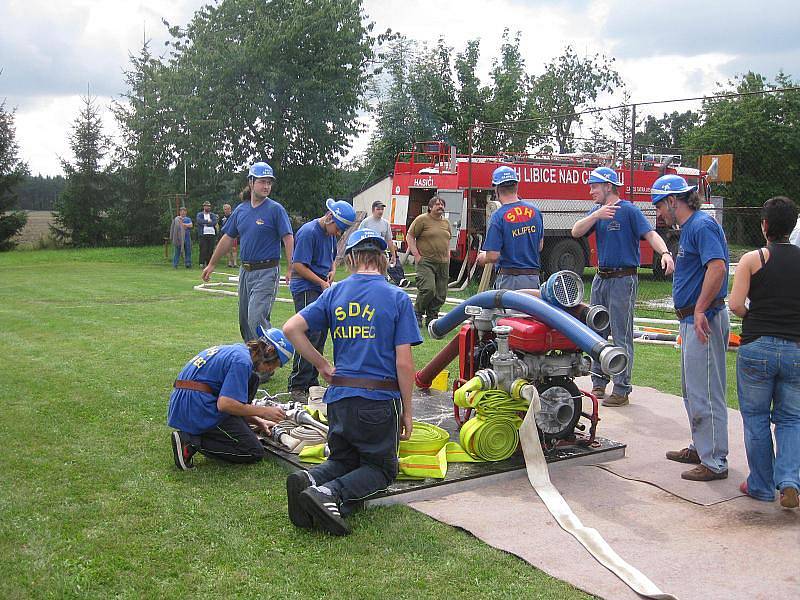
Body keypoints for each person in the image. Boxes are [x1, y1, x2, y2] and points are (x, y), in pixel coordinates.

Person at [282, 229, 421, 536]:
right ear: (382, 259)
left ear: (351, 257)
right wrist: (408, 411)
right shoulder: (396, 297)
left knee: (345, 458)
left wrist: (322, 366)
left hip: (340, 397)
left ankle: (310, 480)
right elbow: (403, 362)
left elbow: (291, 328)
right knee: (382, 469)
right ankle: (330, 494)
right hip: (377, 401)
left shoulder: (334, 292)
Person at [571, 167, 675, 407]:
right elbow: (576, 231)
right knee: (596, 331)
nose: (590, 191)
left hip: (622, 279)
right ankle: (598, 382)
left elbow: (651, 235)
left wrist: (666, 253)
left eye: (594, 186)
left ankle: (621, 388)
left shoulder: (629, 211)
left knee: (621, 333)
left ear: (609, 186)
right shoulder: (598, 212)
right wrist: (596, 215)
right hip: (601, 279)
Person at [652, 174, 730, 482]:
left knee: (707, 391)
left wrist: (699, 309)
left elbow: (718, 267)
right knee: (692, 389)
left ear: (673, 201)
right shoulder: (691, 228)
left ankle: (715, 461)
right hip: (693, 319)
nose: (658, 213)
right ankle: (701, 447)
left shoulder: (701, 225)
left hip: (704, 319)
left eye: (659, 206)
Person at [729, 196, 800, 509]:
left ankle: (759, 484)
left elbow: (734, 305)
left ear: (765, 225)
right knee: (791, 419)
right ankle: (789, 482)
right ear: (794, 225)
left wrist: (754, 317)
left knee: (756, 418)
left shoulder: (752, 259)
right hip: (796, 348)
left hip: (757, 346)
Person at [167, 325, 294, 470]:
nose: (271, 370)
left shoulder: (238, 352)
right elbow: (225, 404)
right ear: (269, 351)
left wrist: (256, 420)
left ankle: (206, 432)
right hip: (195, 406)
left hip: (188, 401)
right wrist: (263, 411)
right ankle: (190, 441)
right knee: (254, 451)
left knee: (253, 379)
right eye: (275, 365)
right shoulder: (242, 361)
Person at [202, 162, 294, 342]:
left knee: (256, 320)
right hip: (245, 272)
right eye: (262, 181)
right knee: (244, 321)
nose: (266, 186)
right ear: (251, 182)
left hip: (267, 271)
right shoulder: (241, 210)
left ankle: (266, 366)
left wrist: (291, 268)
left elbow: (288, 238)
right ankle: (252, 363)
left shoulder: (275, 209)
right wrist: (212, 264)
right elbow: (228, 238)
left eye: (269, 182)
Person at [288, 198, 357, 401]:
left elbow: (333, 259)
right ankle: (298, 384)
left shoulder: (330, 234)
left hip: (321, 287)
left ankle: (311, 380)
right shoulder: (309, 232)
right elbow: (298, 266)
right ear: (329, 217)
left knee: (320, 334)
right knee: (308, 334)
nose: (338, 233)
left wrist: (332, 271)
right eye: (338, 228)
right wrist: (320, 282)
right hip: (306, 288)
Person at [477, 166, 544, 290]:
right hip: (533, 279)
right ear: (516, 186)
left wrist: (482, 258)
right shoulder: (535, 211)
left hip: (509, 280)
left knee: (508, 310)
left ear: (496, 189)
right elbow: (539, 246)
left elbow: (493, 256)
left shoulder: (498, 216)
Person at [406, 196, 451, 328]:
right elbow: (410, 236)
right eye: (437, 204)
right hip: (426, 262)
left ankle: (432, 317)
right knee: (428, 289)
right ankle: (417, 313)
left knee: (441, 293)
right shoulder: (422, 220)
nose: (440, 206)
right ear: (430, 207)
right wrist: (416, 255)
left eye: (442, 204)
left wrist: (448, 256)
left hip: (443, 263)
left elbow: (448, 240)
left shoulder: (446, 223)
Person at [359, 200, 397, 265]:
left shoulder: (386, 223)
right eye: (378, 209)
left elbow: (389, 240)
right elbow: (359, 238)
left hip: (380, 253)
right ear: (373, 210)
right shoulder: (365, 222)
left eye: (382, 209)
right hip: (367, 253)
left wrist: (393, 255)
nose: (380, 211)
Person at [197, 201, 219, 268]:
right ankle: (202, 262)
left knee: (210, 249)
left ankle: (209, 263)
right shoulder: (200, 214)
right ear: (204, 207)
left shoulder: (212, 215)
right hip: (203, 234)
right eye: (206, 206)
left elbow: (214, 222)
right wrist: (208, 221)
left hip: (211, 234)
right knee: (203, 249)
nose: (208, 207)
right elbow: (199, 221)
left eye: (209, 206)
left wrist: (206, 223)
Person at [219, 203, 237, 267]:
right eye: (225, 209)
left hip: (233, 234)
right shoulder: (222, 217)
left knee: (234, 248)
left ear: (230, 209)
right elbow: (220, 225)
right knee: (227, 249)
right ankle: (229, 262)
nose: (226, 210)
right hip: (225, 234)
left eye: (227, 209)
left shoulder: (233, 215)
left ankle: (235, 263)